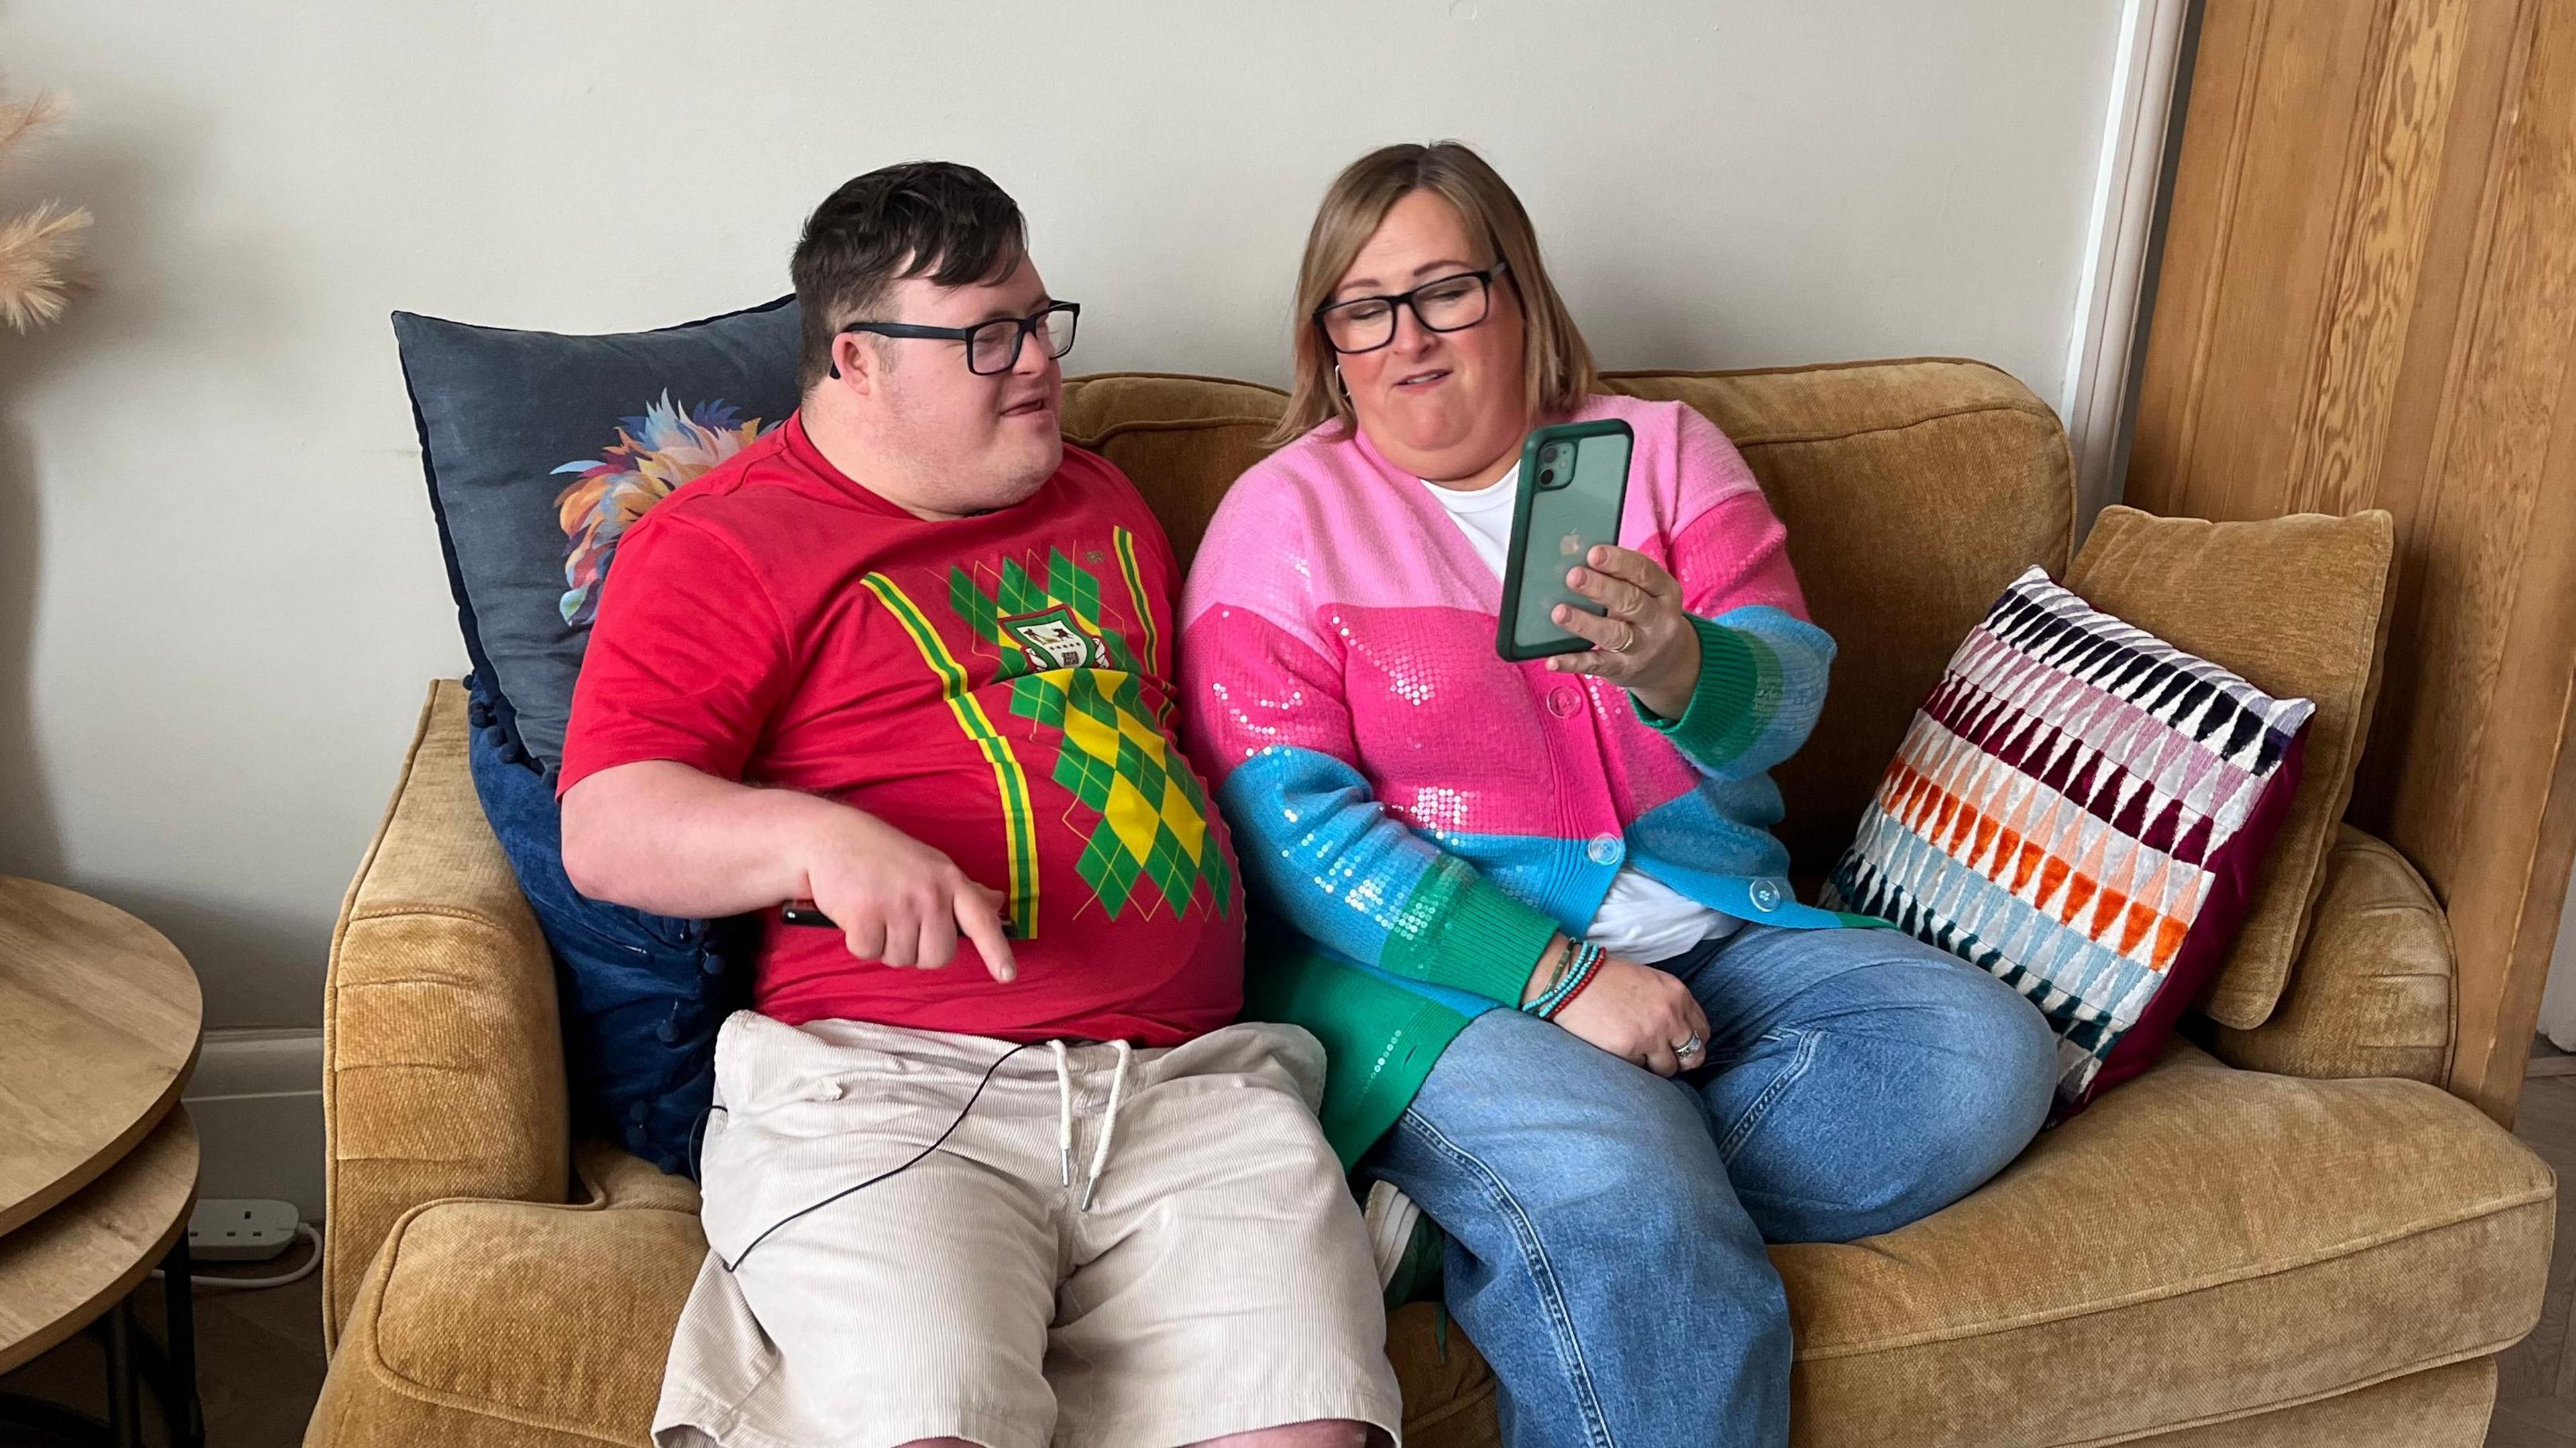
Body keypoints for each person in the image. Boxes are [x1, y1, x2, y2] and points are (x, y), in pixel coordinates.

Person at [1178, 141, 2059, 1448]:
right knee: (1627, 1193)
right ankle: (1592, 1181)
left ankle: (1499, 1206)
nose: (1409, 338)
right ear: (1329, 341)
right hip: (1435, 983)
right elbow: (1292, 830)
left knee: (1983, 1060)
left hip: (1719, 938)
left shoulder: (1662, 454)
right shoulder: (1282, 518)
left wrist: (1683, 665)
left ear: (1518, 291)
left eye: (1447, 291)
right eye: (1365, 307)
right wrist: (1564, 986)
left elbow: (1793, 698)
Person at [559, 161, 1400, 1448]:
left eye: (1041, 322)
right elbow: (606, 824)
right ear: (855, 358)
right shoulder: (725, 540)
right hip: (892, 1087)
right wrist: (818, 840)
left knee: (1310, 1429)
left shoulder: (1105, 502)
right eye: (985, 338)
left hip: (1189, 1090)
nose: (1036, 365)